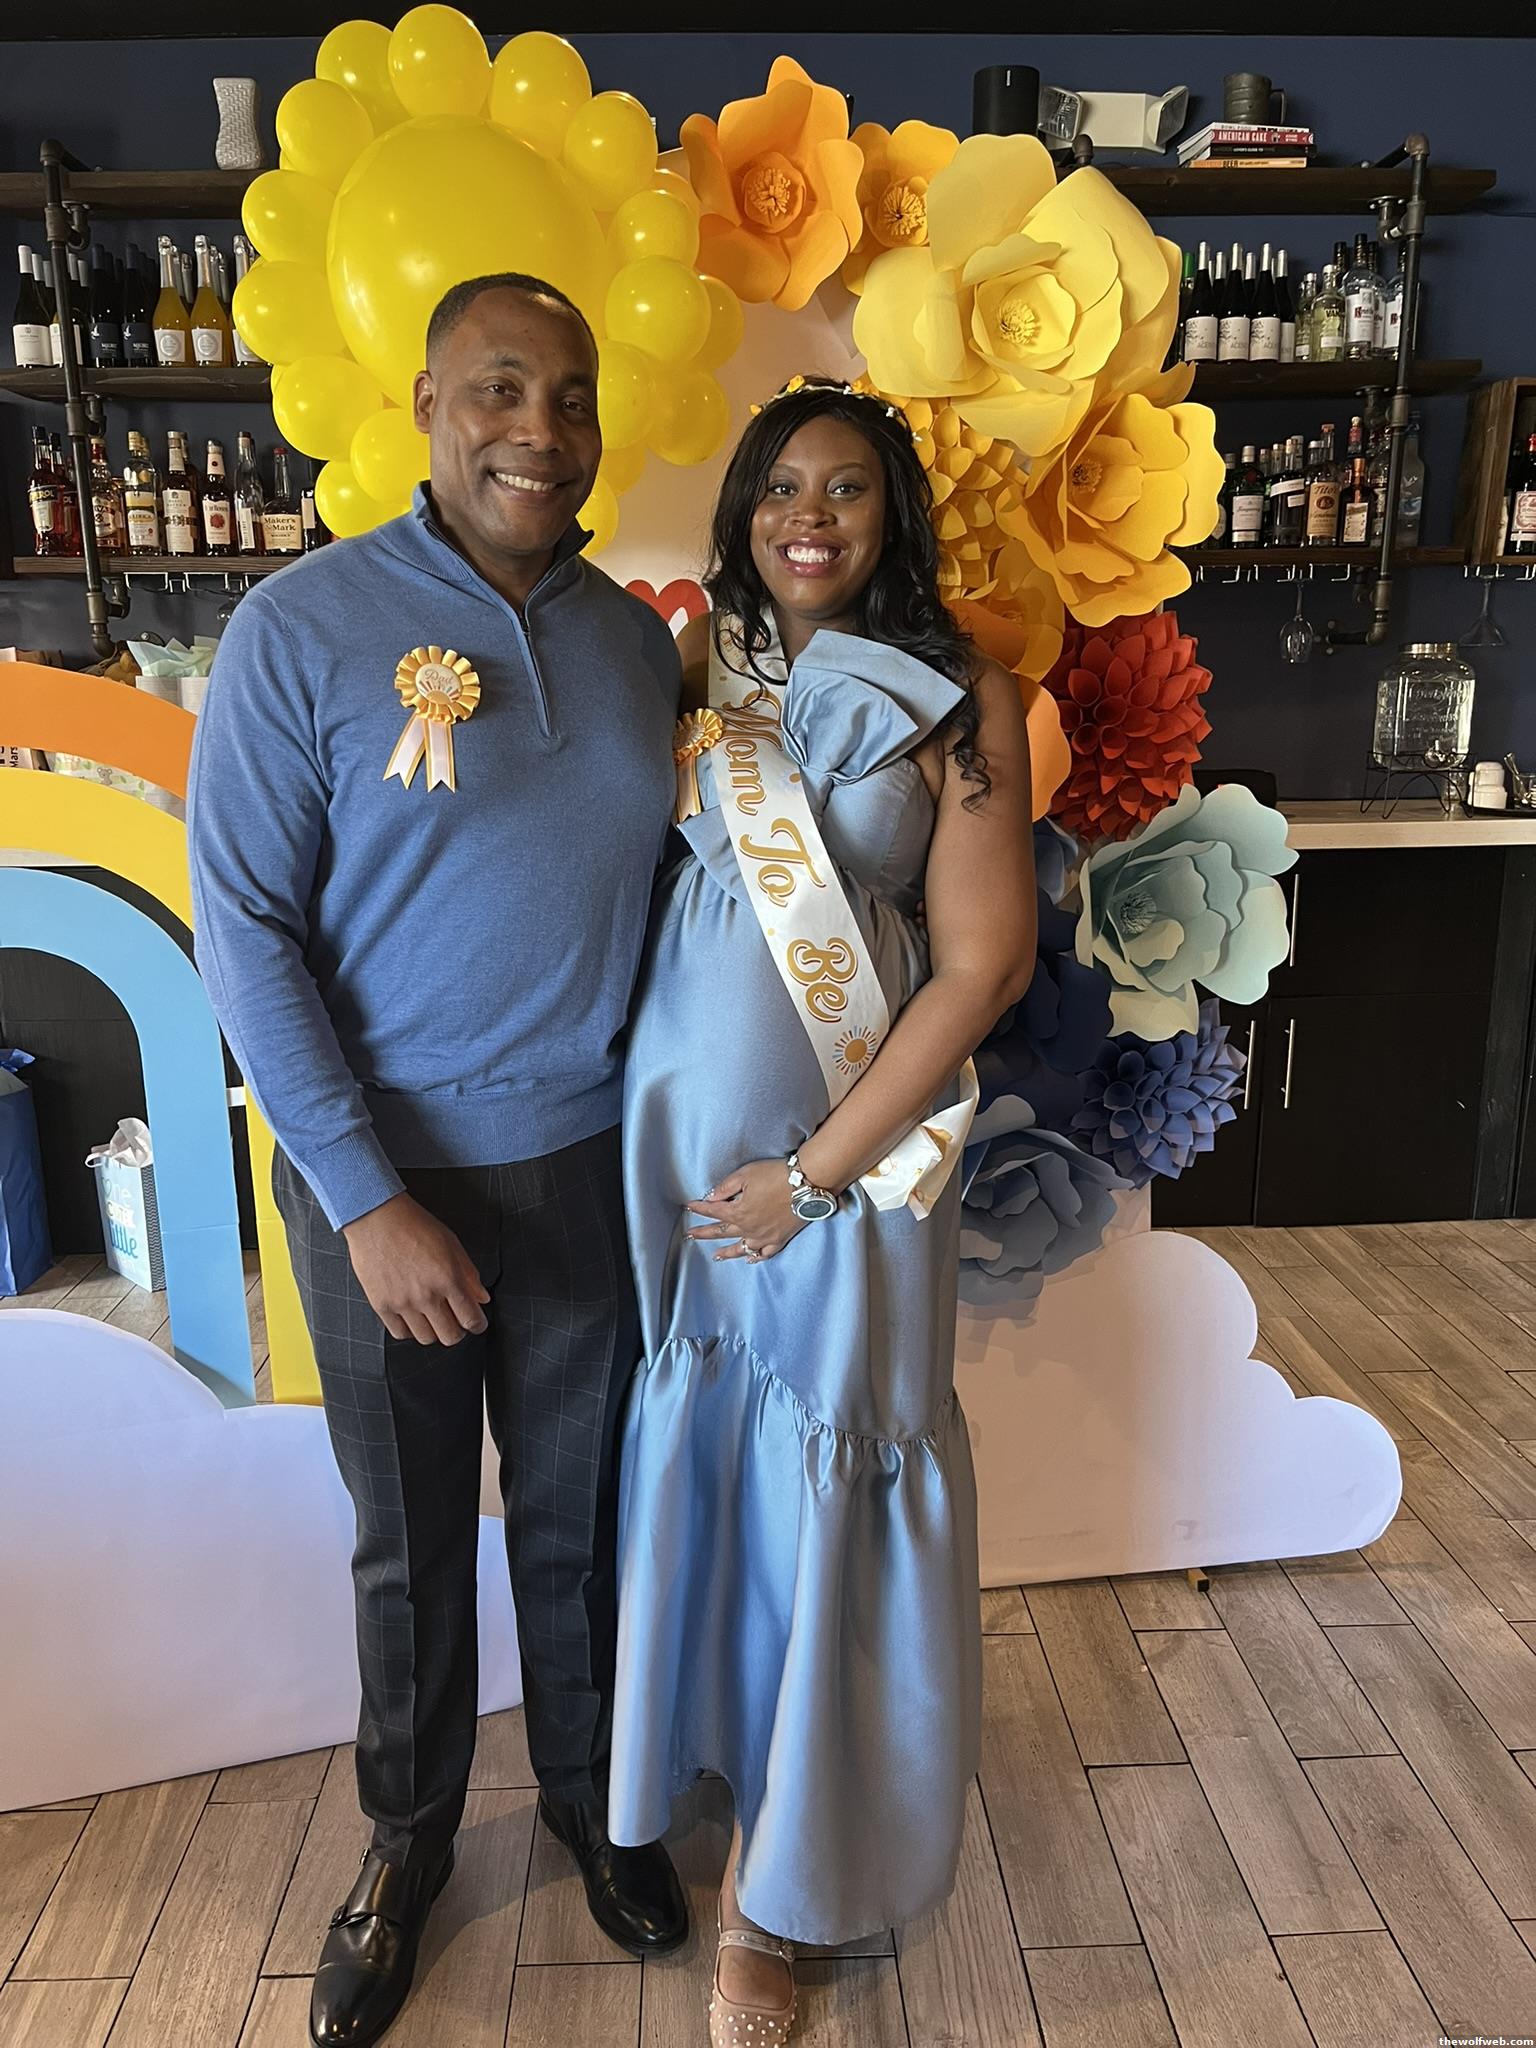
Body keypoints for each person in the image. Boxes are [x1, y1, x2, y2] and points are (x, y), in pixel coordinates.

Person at [187, 272, 688, 2048]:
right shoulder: (300, 630)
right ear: (424, 405)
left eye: (571, 396)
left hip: (586, 1171)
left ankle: (587, 1801)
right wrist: (368, 1197)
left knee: (580, 1524)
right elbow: (241, 930)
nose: (540, 431)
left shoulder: (637, 647)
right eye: (499, 389)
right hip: (382, 1189)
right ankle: (405, 1844)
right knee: (407, 1547)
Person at [607, 378, 1038, 2046]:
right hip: (684, 1175)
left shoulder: (965, 700)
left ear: (892, 516)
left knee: (833, 1484)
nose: (811, 517)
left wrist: (812, 1177)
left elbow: (982, 968)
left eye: (848, 489)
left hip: (845, 1184)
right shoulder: (697, 667)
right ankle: (717, 1771)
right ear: (742, 512)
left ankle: (777, 1898)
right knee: (720, 1477)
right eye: (782, 487)